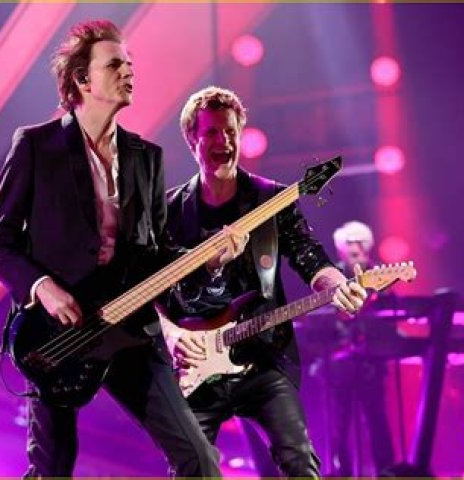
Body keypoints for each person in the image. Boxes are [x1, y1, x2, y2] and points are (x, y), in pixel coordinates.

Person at [0, 20, 244, 478]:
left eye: (130, 64)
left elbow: (158, 254)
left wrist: (208, 262)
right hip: (56, 335)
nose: (129, 71)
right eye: (115, 64)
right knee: (52, 468)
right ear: (82, 79)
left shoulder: (147, 157)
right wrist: (43, 288)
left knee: (200, 459)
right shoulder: (37, 146)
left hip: (130, 330)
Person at [156, 86, 368, 478]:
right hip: (196, 369)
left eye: (231, 131)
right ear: (191, 140)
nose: (224, 141)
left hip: (264, 359)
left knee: (299, 460)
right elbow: (151, 289)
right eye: (212, 132)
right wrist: (170, 334)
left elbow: (309, 256)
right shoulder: (169, 211)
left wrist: (336, 285)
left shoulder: (271, 200)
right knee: (191, 468)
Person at [326, 220, 395, 476]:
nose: (355, 248)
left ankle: (386, 471)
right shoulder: (331, 276)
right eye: (350, 243)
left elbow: (391, 316)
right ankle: (341, 472)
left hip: (371, 363)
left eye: (360, 242)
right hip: (339, 363)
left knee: (377, 419)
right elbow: (323, 316)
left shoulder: (381, 276)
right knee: (339, 424)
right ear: (341, 248)